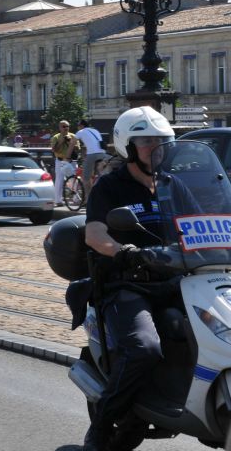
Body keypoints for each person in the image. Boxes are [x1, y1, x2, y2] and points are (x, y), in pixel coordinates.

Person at [80, 106, 176, 451]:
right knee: (144, 349)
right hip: (130, 282)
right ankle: (103, 425)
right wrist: (124, 250)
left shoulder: (173, 183)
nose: (156, 148)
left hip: (180, 278)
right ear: (128, 147)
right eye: (147, 141)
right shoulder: (110, 186)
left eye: (161, 141)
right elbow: (94, 234)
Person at [76, 119, 108, 197]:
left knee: (86, 178)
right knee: (102, 174)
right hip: (103, 153)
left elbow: (72, 142)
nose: (78, 128)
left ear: (82, 126)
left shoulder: (81, 132)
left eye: (78, 126)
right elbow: (92, 144)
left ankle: (88, 198)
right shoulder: (95, 131)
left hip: (92, 155)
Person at [50, 120, 77, 207]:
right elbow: (54, 150)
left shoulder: (73, 136)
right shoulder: (56, 137)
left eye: (67, 126)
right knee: (59, 180)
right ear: (60, 128)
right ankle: (58, 200)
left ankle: (76, 199)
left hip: (71, 161)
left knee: (73, 180)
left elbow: (78, 148)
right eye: (63, 126)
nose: (66, 128)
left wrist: (70, 143)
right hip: (60, 161)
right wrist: (60, 142)